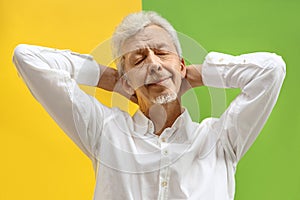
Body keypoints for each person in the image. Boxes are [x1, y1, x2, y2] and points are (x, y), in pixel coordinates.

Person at [12, 11, 285, 200]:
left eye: (163, 53)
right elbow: (27, 58)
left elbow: (271, 70)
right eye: (138, 59)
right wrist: (108, 79)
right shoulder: (105, 132)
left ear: (180, 65)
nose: (154, 64)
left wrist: (197, 74)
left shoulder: (220, 138)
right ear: (126, 81)